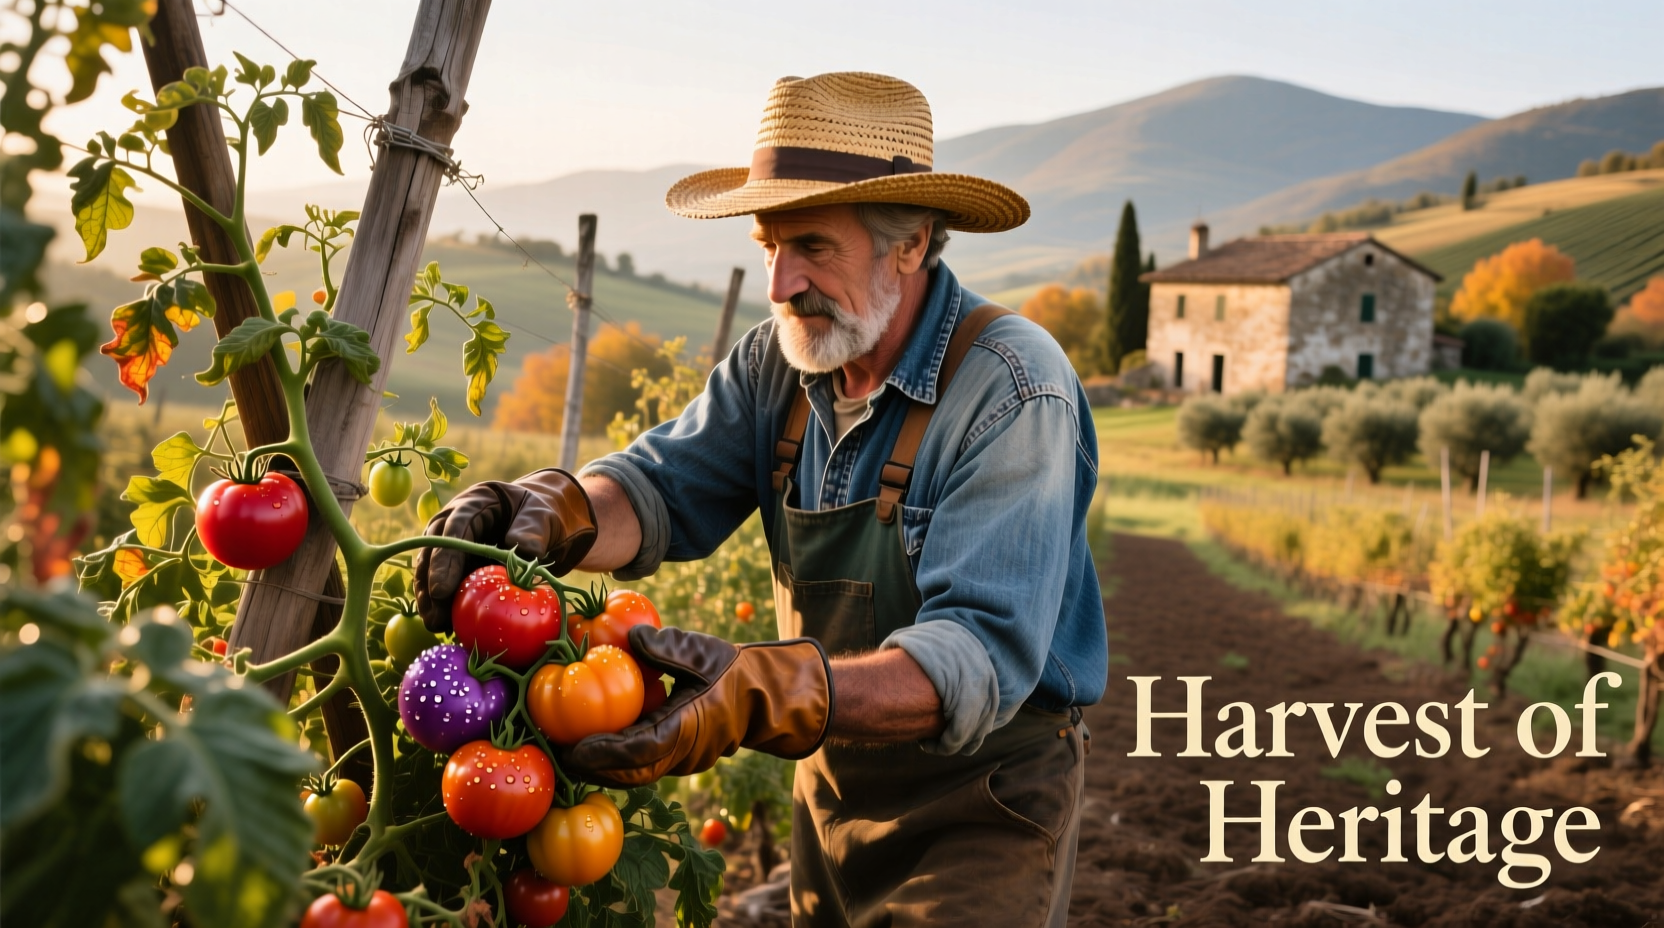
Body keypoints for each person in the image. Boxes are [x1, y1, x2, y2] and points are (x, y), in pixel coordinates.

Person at [413, 72, 1107, 927]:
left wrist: (756, 691)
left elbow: (976, 659)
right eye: (767, 247)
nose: (781, 284)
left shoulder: (1010, 388)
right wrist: (554, 506)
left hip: (983, 804)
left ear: (914, 241)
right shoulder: (778, 361)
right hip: (832, 785)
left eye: (813, 246)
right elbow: (659, 485)